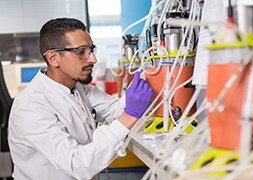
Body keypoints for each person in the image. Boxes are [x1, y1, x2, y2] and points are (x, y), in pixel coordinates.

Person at [8, 17, 153, 180]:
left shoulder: (78, 89)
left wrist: (148, 81)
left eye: (91, 50)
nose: (93, 59)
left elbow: (117, 109)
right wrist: (129, 115)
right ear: (53, 58)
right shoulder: (31, 107)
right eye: (81, 51)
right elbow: (76, 164)